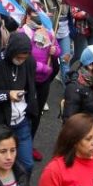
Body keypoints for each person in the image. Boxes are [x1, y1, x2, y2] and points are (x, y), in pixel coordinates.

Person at [0, 32, 38, 174]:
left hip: (21, 121)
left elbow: (32, 86)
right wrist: (6, 95)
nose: (21, 61)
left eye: (24, 58)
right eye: (18, 58)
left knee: (27, 165)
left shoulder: (29, 61)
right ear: (11, 51)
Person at [19, 9, 60, 161]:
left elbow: (58, 51)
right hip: (28, 80)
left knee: (37, 113)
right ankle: (16, 143)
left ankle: (28, 144)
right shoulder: (22, 34)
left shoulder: (49, 33)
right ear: (28, 16)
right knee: (24, 111)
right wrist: (43, 68)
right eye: (34, 15)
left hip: (44, 81)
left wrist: (55, 51)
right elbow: (24, 59)